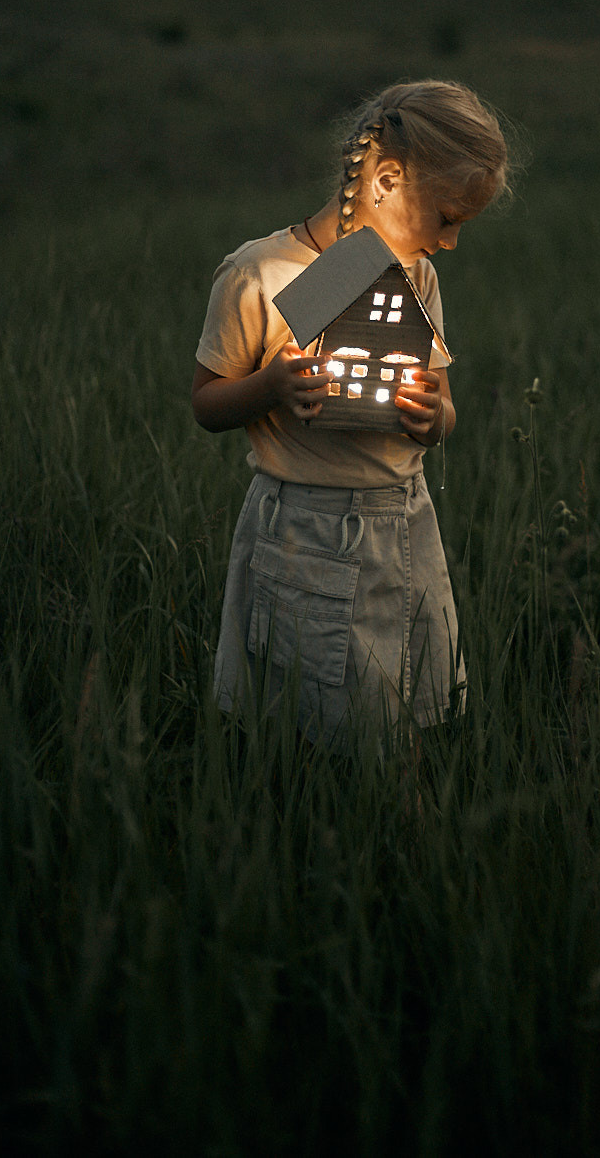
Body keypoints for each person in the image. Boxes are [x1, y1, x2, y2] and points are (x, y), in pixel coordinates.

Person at [192, 79, 508, 747]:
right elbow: (207, 402)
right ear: (388, 178)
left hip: (405, 520)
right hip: (306, 534)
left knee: (408, 716)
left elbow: (443, 404)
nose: (450, 243)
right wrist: (272, 386)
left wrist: (433, 419)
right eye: (447, 219)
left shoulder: (415, 275)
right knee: (314, 724)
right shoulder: (261, 274)